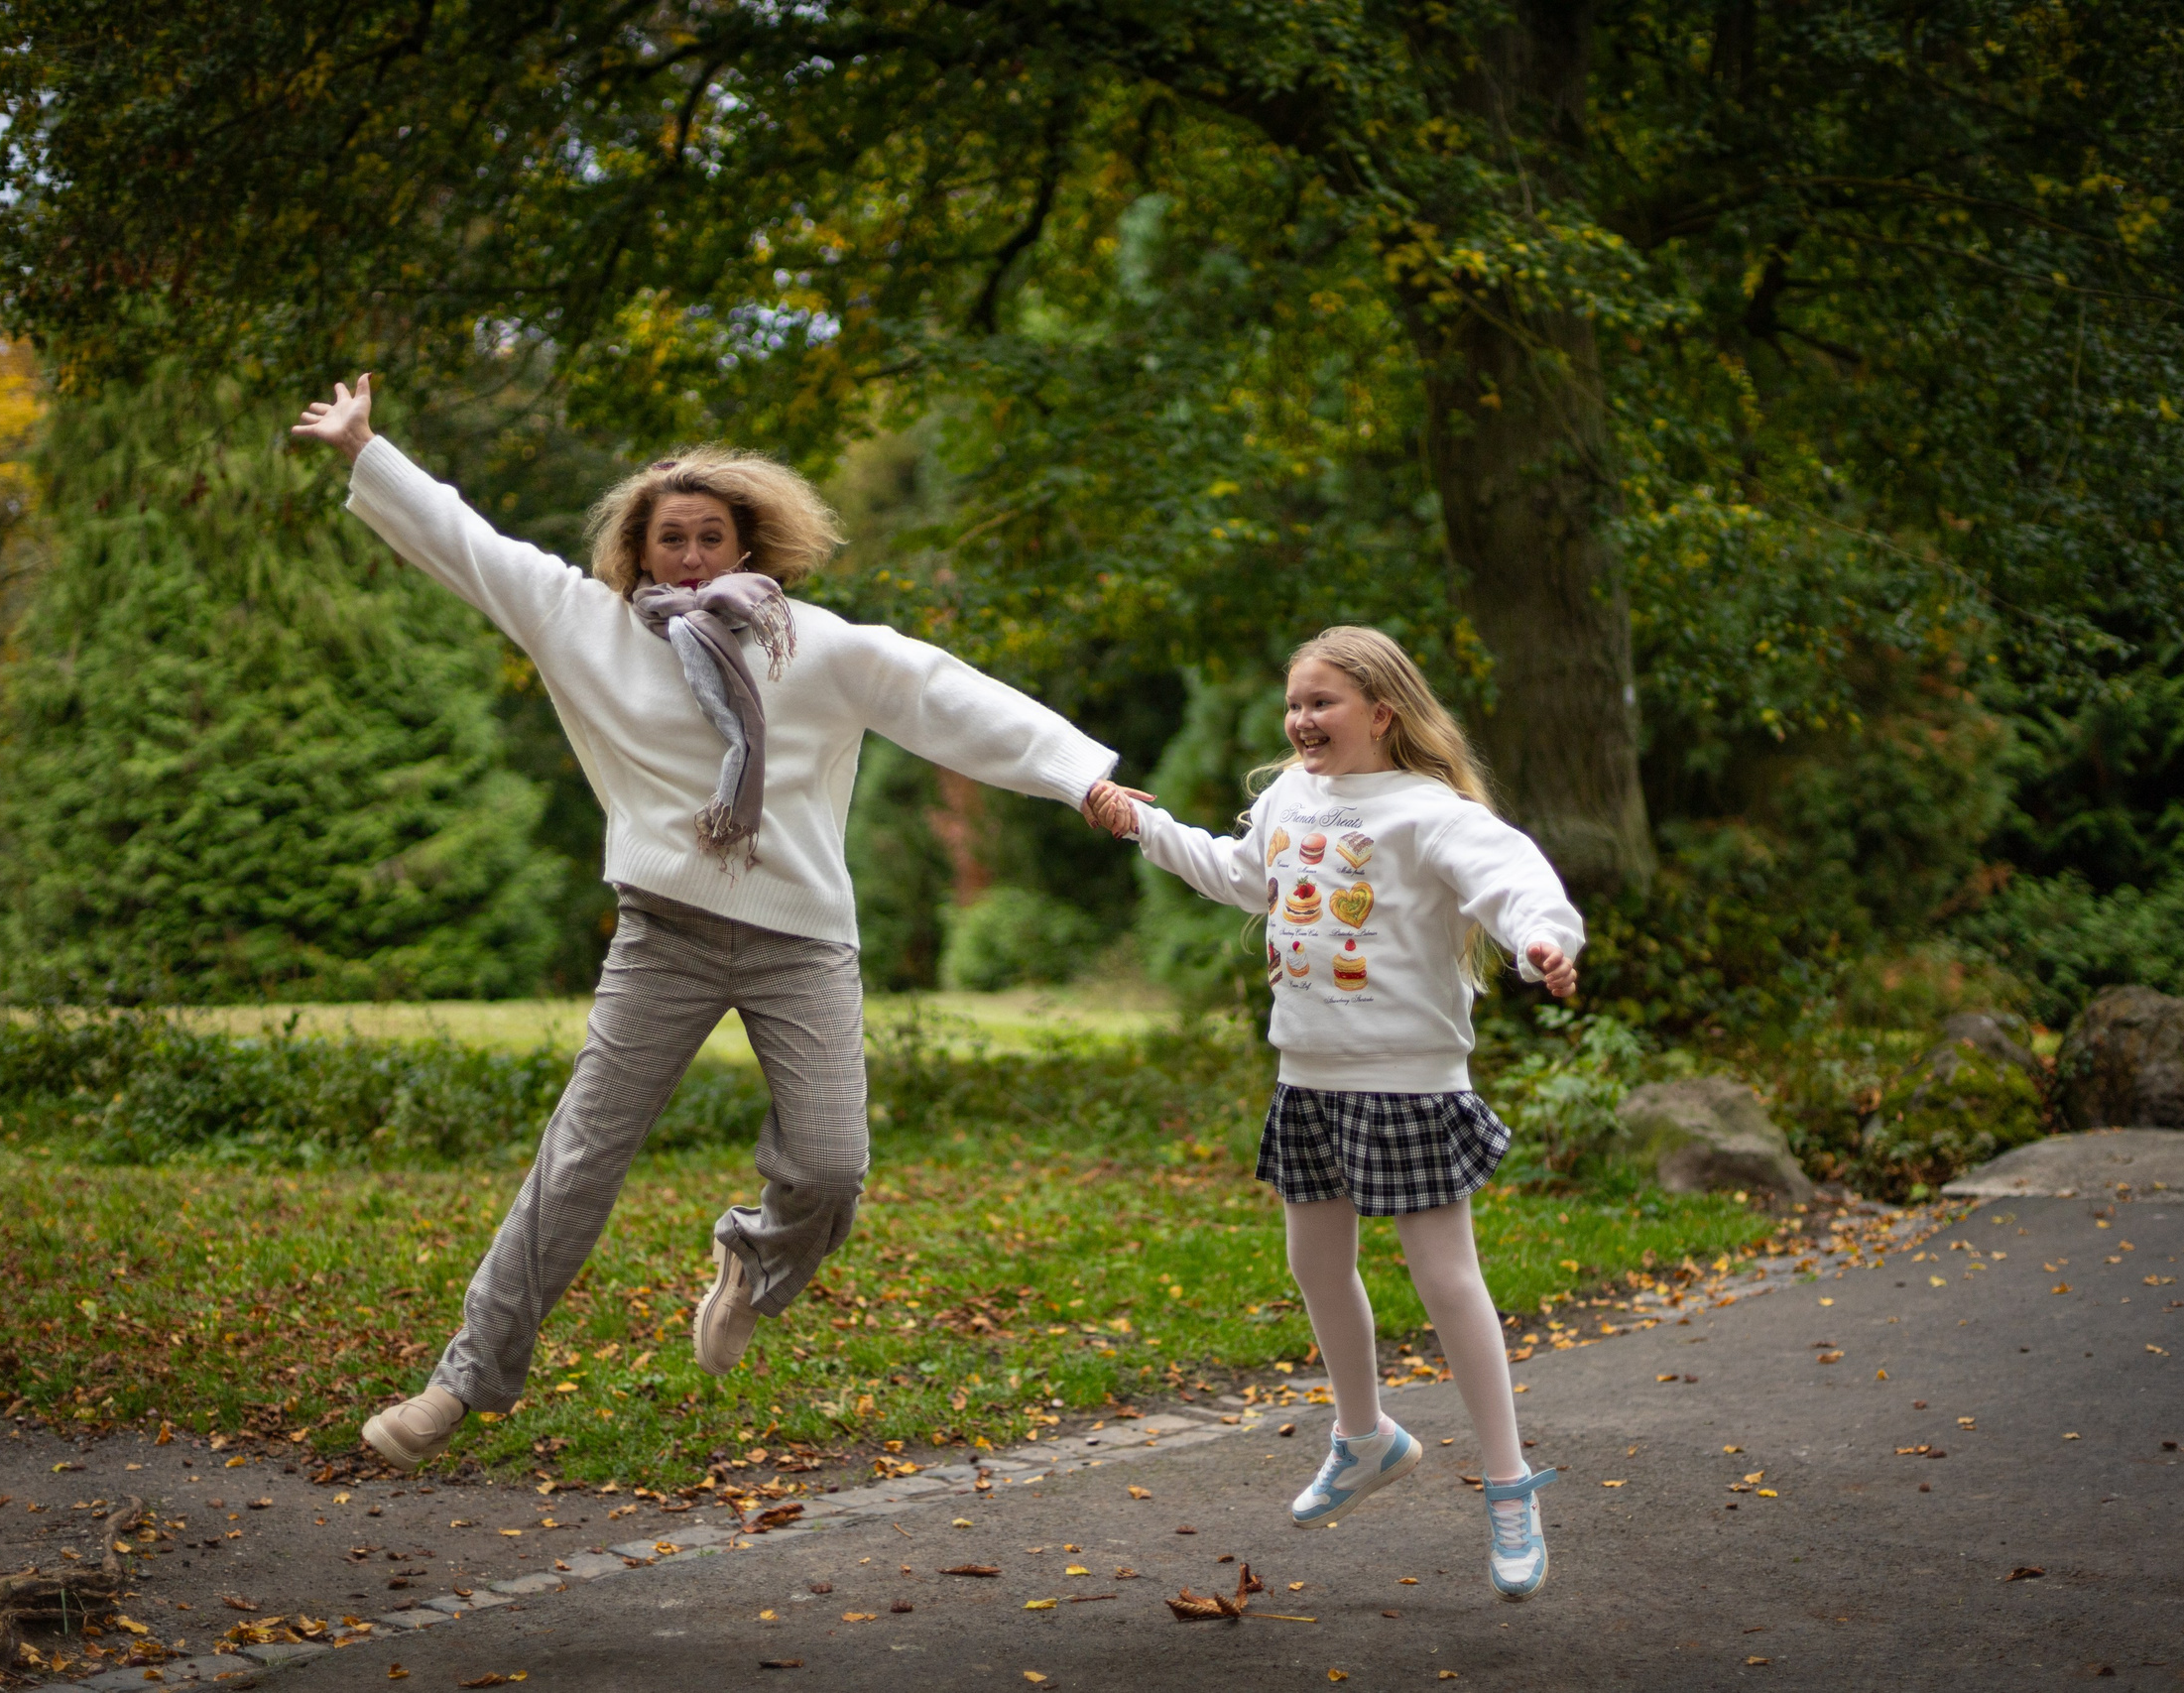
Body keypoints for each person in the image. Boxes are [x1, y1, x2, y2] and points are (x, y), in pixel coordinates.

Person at [292, 375, 1137, 1469]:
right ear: (638, 554)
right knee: (578, 1162)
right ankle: (460, 1384)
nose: (689, 556)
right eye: (669, 539)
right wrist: (368, 448)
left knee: (831, 1169)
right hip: (665, 936)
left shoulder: (814, 646)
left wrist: (1080, 780)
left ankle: (752, 1259)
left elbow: (948, 696)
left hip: (801, 942)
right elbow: (470, 543)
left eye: (711, 537)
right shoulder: (583, 627)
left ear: (750, 549)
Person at [1088, 626, 1583, 1602]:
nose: (1302, 720)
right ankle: (1364, 1439)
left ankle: (1509, 1487)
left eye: (1322, 703)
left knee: (1445, 1280)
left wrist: (1540, 941)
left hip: (1407, 1079)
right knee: (1313, 1261)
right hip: (1307, 1074)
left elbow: (1511, 878)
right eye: (1294, 704)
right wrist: (1139, 826)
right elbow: (1240, 875)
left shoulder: (1422, 811)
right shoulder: (1286, 799)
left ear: (1381, 713)